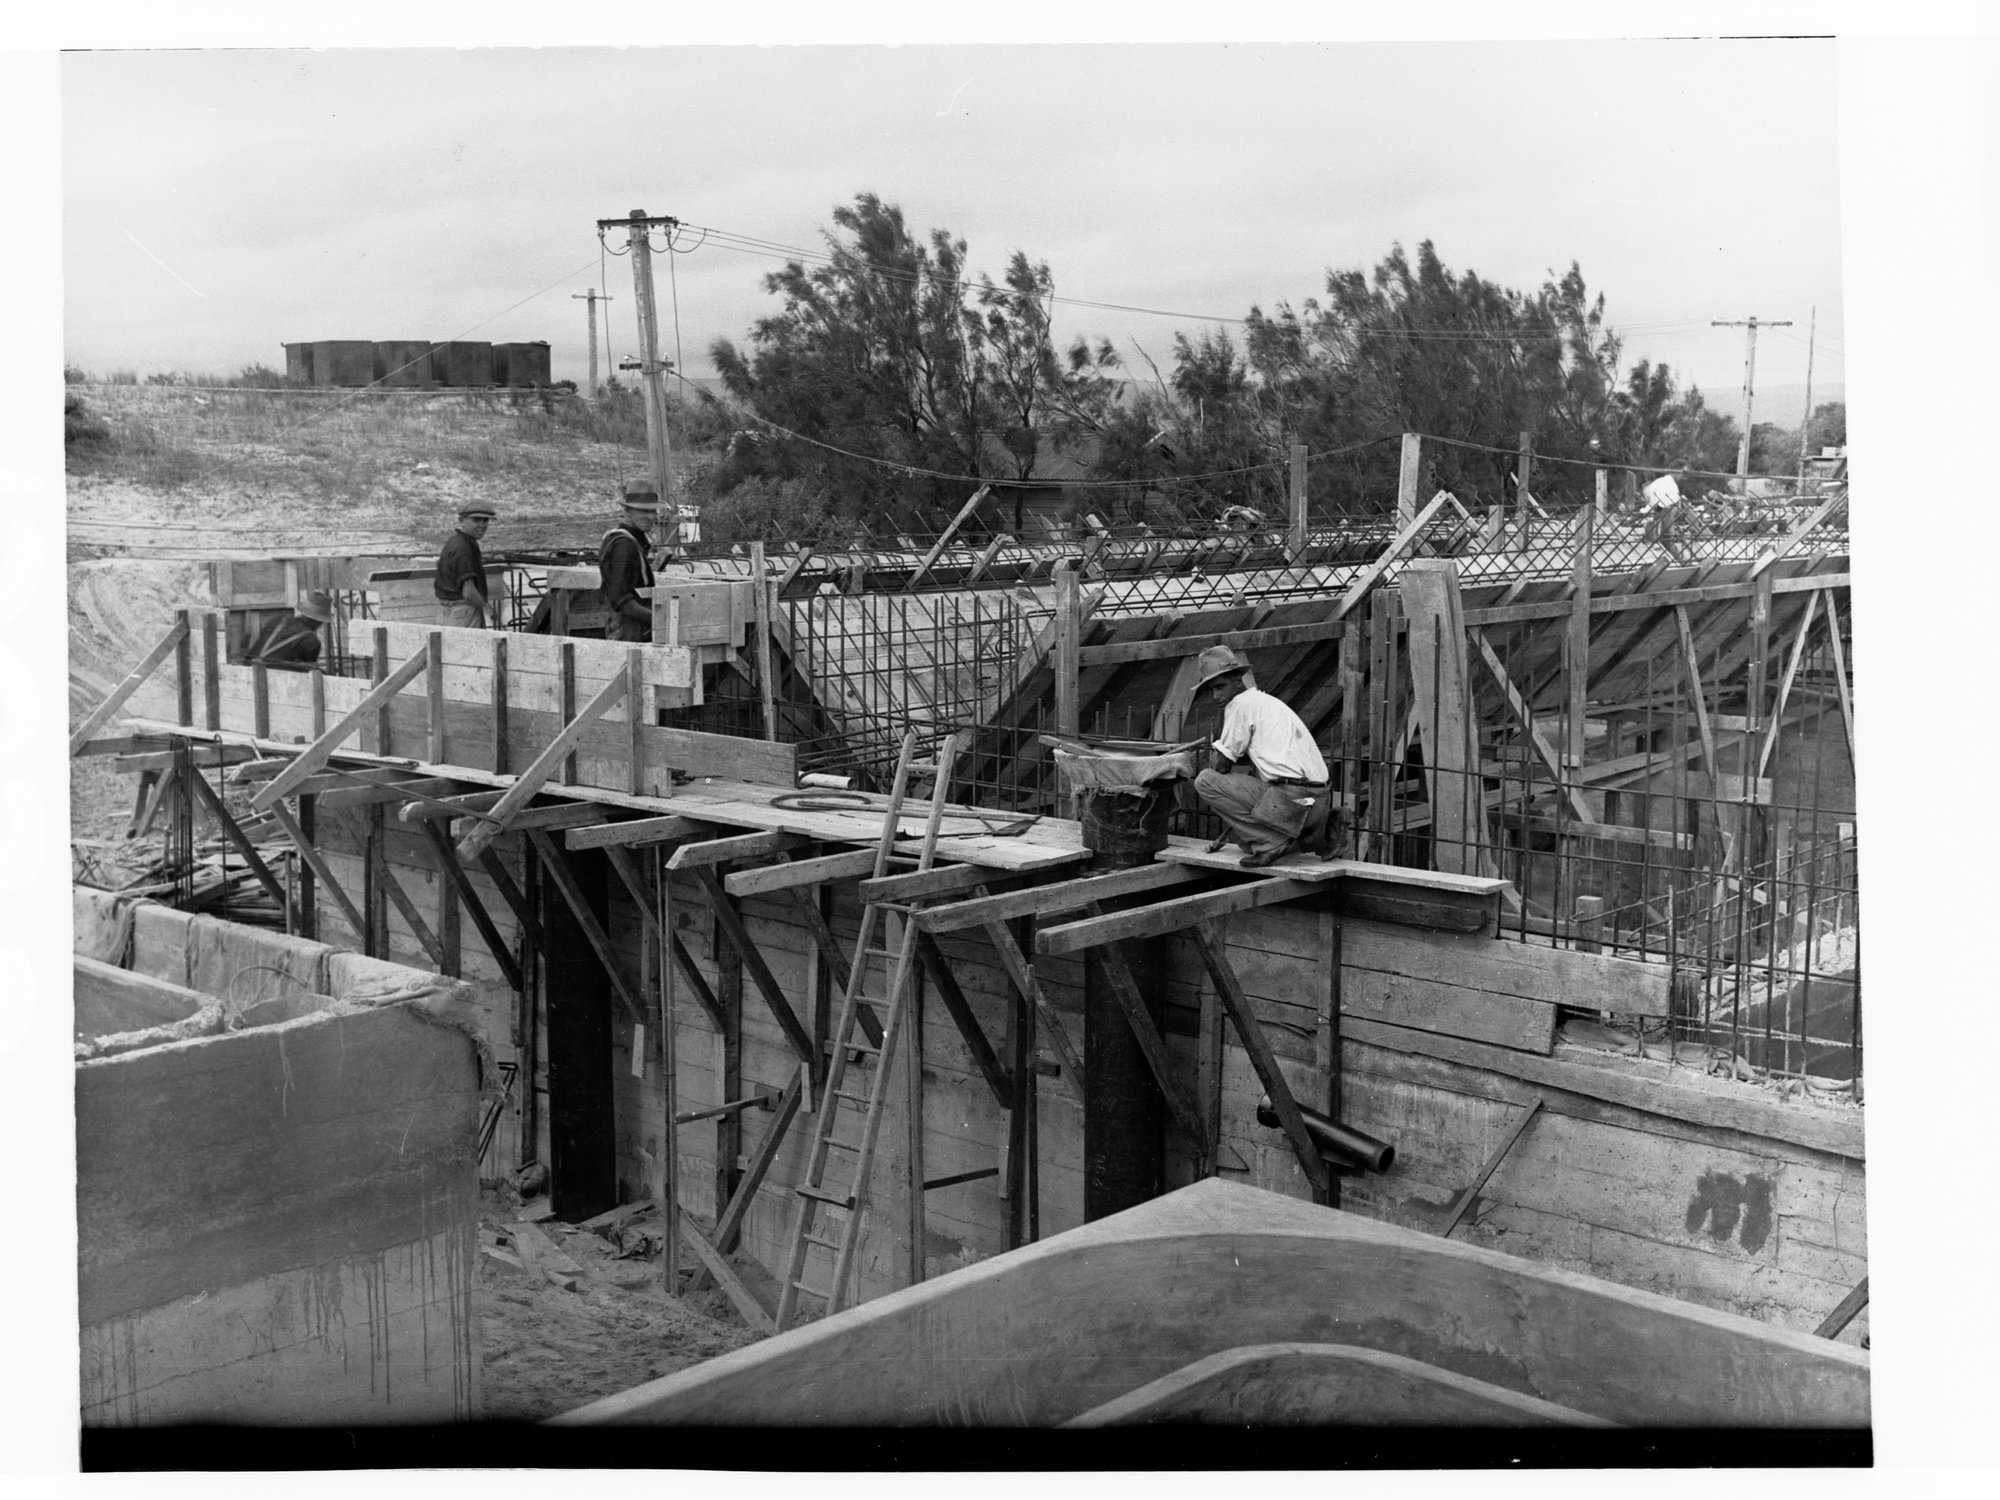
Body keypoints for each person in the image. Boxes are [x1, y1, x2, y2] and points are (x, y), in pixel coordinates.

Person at [1188, 645, 1332, 869]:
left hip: (1294, 802)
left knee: (1205, 780)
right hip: (1319, 802)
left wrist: (1219, 726)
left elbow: (1221, 767)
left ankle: (1271, 844)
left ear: (1238, 679)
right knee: (1245, 845)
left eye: (1220, 687)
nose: (1216, 696)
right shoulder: (1264, 701)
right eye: (1211, 690)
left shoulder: (1239, 704)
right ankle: (1326, 830)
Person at [600, 478, 659, 643]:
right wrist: (658, 619)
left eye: (652, 511)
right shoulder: (624, 546)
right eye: (642, 511)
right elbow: (622, 601)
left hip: (634, 632)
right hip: (628, 635)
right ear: (627, 511)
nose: (649, 517)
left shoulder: (631, 542)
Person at [435, 503, 495, 627]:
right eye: (476, 520)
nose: (482, 525)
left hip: (446, 611)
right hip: (463, 612)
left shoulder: (454, 541)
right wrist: (488, 608)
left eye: (485, 520)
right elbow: (468, 593)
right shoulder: (464, 548)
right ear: (461, 521)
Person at [249, 590, 331, 671]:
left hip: (248, 672)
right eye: (321, 622)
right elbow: (308, 676)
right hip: (278, 680)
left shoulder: (277, 620)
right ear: (318, 621)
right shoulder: (312, 641)